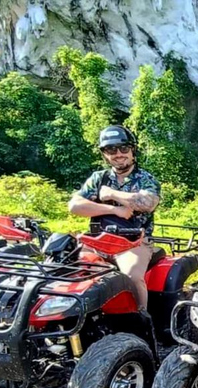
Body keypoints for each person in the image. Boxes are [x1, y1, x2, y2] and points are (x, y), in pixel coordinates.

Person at [68, 125, 161, 309]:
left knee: (131, 277)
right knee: (70, 271)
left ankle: (140, 321)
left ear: (133, 150)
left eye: (123, 148)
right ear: (104, 153)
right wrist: (114, 210)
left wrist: (111, 193)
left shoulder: (144, 179)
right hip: (97, 240)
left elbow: (148, 203)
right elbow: (74, 206)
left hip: (133, 242)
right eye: (111, 149)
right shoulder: (99, 178)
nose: (118, 154)